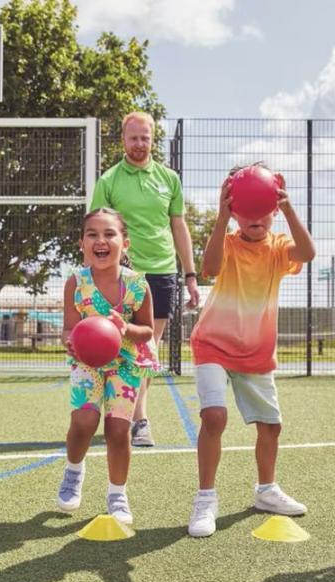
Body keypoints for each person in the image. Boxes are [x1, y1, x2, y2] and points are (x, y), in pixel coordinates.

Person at [186, 167, 316, 538]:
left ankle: (266, 490)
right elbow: (209, 268)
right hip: (213, 342)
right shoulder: (226, 243)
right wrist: (220, 219)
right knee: (214, 417)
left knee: (271, 426)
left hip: (256, 351)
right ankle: (206, 498)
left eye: (264, 209)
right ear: (234, 210)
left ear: (273, 210)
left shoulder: (277, 248)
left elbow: (307, 252)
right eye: (246, 209)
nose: (255, 218)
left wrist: (289, 210)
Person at [89, 111, 199, 447]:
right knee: (122, 349)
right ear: (123, 139)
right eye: (133, 138)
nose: (139, 144)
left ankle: (136, 420)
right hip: (123, 273)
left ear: (153, 140)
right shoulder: (108, 181)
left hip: (163, 272)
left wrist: (190, 274)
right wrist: (95, 272)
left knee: (146, 350)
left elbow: (179, 227)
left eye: (145, 138)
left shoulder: (169, 179)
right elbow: (96, 230)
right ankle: (130, 417)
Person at [56, 208, 160, 525]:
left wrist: (125, 329)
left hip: (125, 362)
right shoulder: (76, 282)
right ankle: (74, 470)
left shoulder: (138, 286)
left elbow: (148, 330)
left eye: (109, 234)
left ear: (124, 243)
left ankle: (117, 493)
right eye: (93, 234)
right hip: (87, 362)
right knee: (85, 422)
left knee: (118, 431)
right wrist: (70, 340)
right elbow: (68, 329)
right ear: (82, 244)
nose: (101, 241)